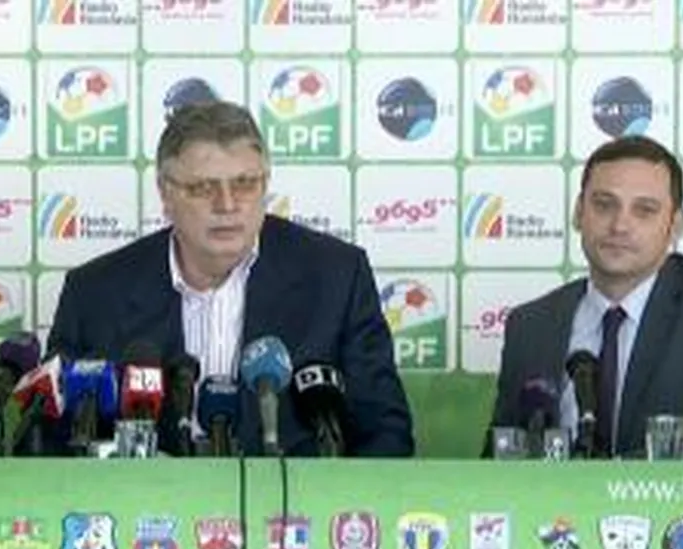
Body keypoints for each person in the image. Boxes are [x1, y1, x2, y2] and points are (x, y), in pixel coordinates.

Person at [47, 100, 414, 457]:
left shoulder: (336, 277)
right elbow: (53, 442)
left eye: (244, 183)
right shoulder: (95, 293)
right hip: (144, 497)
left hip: (292, 497)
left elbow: (385, 435)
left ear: (265, 184)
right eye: (203, 188)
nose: (227, 204)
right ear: (165, 192)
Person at [485, 134, 683, 459]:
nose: (620, 225)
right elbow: (499, 459)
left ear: (674, 226)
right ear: (578, 212)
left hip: (676, 494)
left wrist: (622, 478)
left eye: (644, 210)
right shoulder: (531, 325)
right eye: (604, 205)